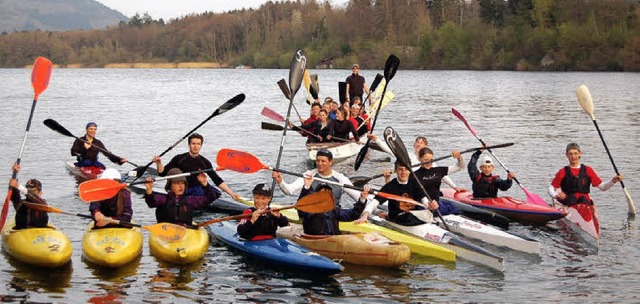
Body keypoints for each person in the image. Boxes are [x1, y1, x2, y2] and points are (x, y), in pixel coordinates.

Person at [271, 149, 369, 235]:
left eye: (323, 161)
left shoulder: (340, 179)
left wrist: (365, 213)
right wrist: (280, 181)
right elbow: (289, 191)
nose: (319, 163)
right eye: (318, 160)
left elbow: (359, 200)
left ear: (331, 162)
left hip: (331, 216)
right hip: (311, 217)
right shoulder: (309, 175)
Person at [153, 133, 238, 200]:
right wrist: (159, 163)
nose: (195, 146)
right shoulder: (179, 158)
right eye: (193, 143)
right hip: (183, 188)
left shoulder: (205, 162)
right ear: (189, 145)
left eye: (198, 144)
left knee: (217, 193)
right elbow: (162, 173)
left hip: (198, 188)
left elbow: (217, 180)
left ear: (201, 145)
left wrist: (231, 194)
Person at [355, 160, 438, 226]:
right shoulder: (390, 186)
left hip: (413, 217)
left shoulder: (415, 183)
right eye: (400, 169)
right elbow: (374, 203)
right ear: (396, 171)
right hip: (398, 219)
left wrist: (430, 206)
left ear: (409, 171)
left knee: (430, 212)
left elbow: (425, 200)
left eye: (406, 169)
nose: (403, 172)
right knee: (409, 216)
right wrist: (365, 215)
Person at [548, 142, 623, 206]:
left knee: (583, 199)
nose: (573, 156)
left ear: (580, 154)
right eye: (570, 154)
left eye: (575, 153)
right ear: (567, 155)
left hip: (585, 202)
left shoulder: (588, 170)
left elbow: (602, 187)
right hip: (569, 201)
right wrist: (556, 195)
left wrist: (613, 181)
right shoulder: (563, 171)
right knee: (572, 199)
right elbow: (551, 188)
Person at [144, 168, 220, 227]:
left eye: (183, 183)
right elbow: (151, 202)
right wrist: (149, 190)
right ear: (170, 185)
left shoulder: (190, 200)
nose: (181, 186)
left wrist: (205, 184)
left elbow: (210, 197)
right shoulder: (163, 199)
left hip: (185, 231)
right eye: (177, 183)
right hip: (165, 231)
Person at [296, 181, 368, 235]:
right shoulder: (309, 209)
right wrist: (306, 187)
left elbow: (352, 214)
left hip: (332, 239)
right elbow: (301, 210)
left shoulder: (333, 209)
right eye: (322, 193)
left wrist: (362, 200)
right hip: (316, 240)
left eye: (327, 193)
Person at [414, 147, 464, 215]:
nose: (429, 162)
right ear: (419, 159)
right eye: (426, 160)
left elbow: (460, 167)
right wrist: (428, 204)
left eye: (431, 160)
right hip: (423, 206)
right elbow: (418, 194)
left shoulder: (438, 170)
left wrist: (459, 157)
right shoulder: (415, 175)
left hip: (437, 204)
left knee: (456, 210)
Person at [8, 163, 48, 229]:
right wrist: (14, 174)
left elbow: (34, 198)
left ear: (40, 193)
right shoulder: (20, 204)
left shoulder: (42, 204)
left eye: (34, 191)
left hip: (41, 233)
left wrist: (19, 186)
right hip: (21, 232)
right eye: (29, 190)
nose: (31, 193)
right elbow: (13, 194)